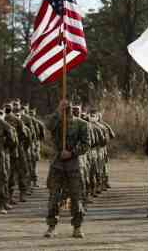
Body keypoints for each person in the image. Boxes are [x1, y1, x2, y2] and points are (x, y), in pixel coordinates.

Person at [44, 100, 90, 239]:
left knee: (76, 198)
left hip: (74, 165)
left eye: (72, 107)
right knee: (54, 197)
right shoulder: (57, 121)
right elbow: (48, 126)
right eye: (68, 106)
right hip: (57, 165)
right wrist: (58, 112)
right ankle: (51, 226)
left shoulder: (82, 124)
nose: (70, 109)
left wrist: (72, 153)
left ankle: (77, 227)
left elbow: (86, 144)